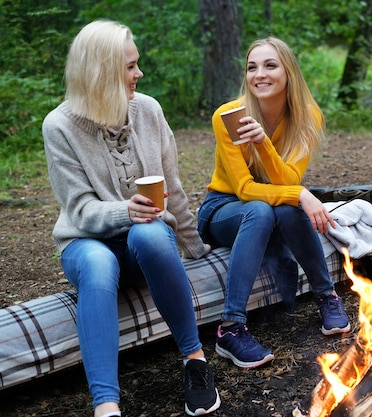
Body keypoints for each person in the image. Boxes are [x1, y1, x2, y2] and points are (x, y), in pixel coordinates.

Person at [42, 20, 220, 417]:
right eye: (129, 67)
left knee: (152, 236)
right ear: (100, 72)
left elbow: (171, 185)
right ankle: (106, 406)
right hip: (85, 241)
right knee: (97, 260)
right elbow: (82, 211)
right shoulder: (59, 127)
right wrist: (125, 210)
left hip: (146, 244)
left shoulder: (149, 111)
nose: (139, 73)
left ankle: (195, 361)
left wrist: (192, 243)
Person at [197, 37, 351, 369]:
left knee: (282, 206)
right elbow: (245, 188)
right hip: (223, 208)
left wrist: (265, 145)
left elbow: (286, 184)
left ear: (288, 72)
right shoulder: (228, 116)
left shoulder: (307, 117)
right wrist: (301, 194)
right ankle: (230, 328)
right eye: (252, 67)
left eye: (270, 65)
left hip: (270, 209)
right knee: (263, 207)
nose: (259, 74)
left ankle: (327, 296)